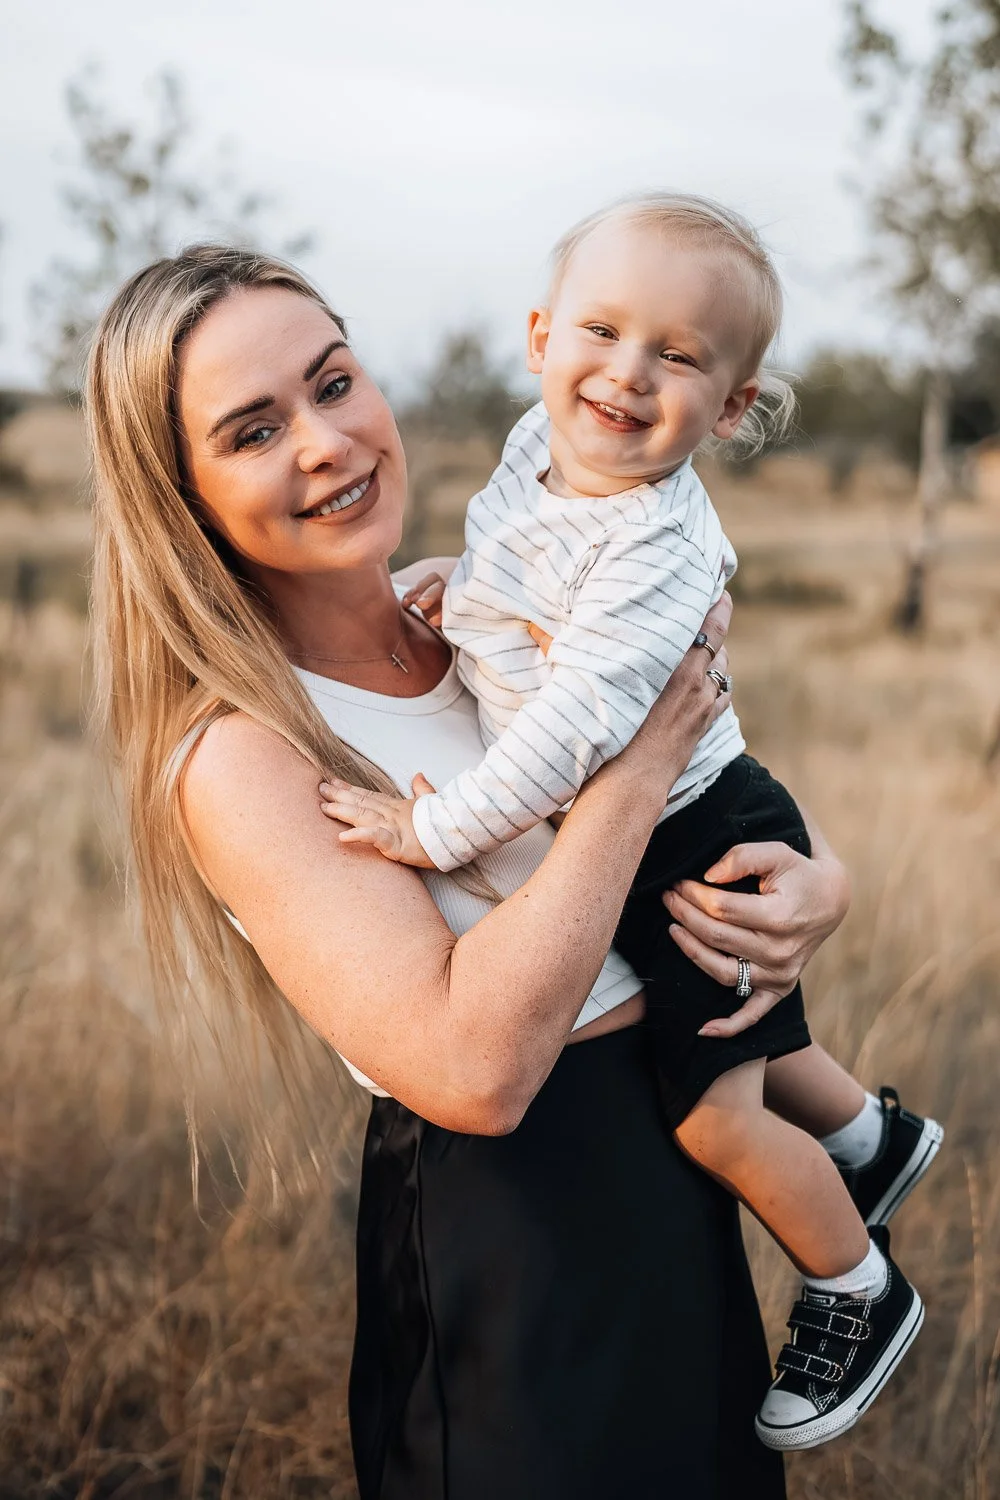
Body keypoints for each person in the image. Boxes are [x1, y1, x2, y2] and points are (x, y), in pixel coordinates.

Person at [89, 241, 854, 1499]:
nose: (326, 443)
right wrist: (632, 763)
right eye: (251, 431)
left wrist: (826, 888)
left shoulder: (481, 611)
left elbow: (719, 782)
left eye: (333, 384)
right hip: (513, 1248)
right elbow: (476, 1070)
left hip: (676, 1176)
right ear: (179, 495)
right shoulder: (240, 750)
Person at [320, 194, 943, 1451]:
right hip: (676, 808)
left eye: (679, 354)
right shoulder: (534, 450)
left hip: (683, 820)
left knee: (714, 1108)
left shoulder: (653, 546)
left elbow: (563, 746)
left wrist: (427, 836)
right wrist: (463, 591)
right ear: (542, 335)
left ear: (730, 408)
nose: (626, 372)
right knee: (742, 1026)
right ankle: (871, 1139)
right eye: (602, 331)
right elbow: (513, 557)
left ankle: (856, 1286)